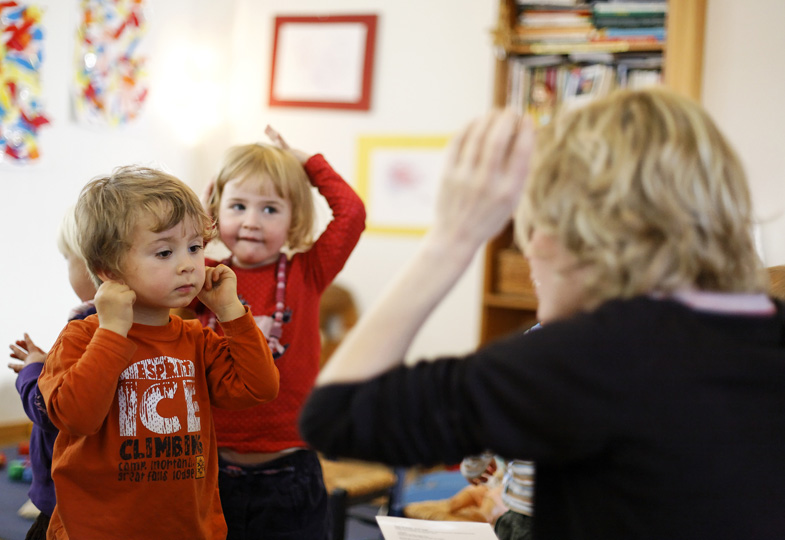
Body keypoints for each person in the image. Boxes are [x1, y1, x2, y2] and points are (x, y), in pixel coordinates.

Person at [300, 88, 785, 539]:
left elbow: (336, 414)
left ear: (571, 231)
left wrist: (452, 239)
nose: (528, 249)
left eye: (530, 227)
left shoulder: (587, 358)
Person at [37, 166, 280, 540]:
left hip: (187, 528)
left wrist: (231, 311)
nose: (187, 264)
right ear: (109, 270)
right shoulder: (82, 338)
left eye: (195, 247)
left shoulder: (195, 338)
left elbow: (259, 387)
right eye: (165, 252)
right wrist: (113, 331)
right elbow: (77, 418)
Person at [189, 126, 365, 539]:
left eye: (270, 209)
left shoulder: (308, 271)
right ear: (215, 211)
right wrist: (196, 218)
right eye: (237, 206)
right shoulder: (200, 275)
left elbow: (352, 213)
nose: (251, 222)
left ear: (294, 219)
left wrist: (307, 163)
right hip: (210, 465)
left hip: (290, 469)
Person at [8, 207, 98, 540]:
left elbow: (51, 409)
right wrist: (51, 362)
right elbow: (88, 381)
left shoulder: (86, 325)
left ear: (93, 264)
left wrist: (32, 372)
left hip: (66, 503)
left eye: (67, 259)